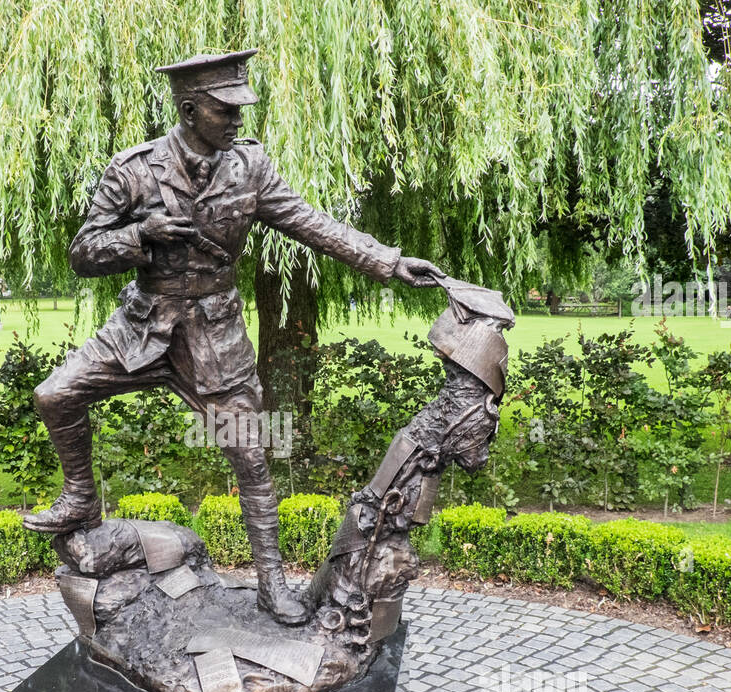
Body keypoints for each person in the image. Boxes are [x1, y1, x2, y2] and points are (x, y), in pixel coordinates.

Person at [26, 49, 446, 625]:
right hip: (144, 327)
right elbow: (82, 254)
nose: (238, 119)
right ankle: (80, 497)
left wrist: (390, 263)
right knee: (55, 394)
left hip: (214, 338)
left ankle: (273, 585)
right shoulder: (134, 170)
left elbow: (312, 224)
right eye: (226, 110)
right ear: (190, 108)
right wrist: (139, 235)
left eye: (240, 108)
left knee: (250, 457)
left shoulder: (248, 168)